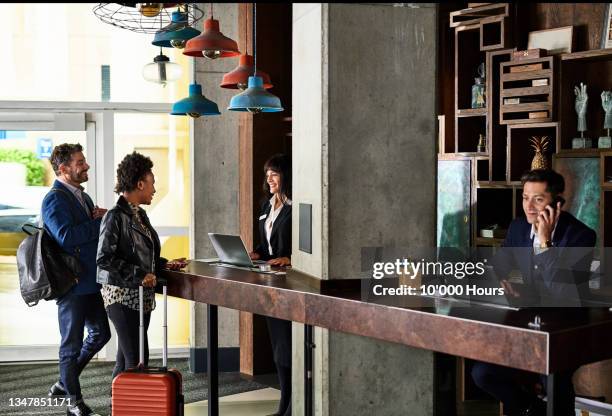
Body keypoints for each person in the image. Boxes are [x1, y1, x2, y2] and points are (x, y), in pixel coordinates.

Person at [471, 169, 596, 416]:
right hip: (524, 323)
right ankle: (532, 408)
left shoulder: (580, 236)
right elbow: (501, 265)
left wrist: (545, 243)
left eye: (538, 199)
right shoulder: (518, 227)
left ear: (557, 202)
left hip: (565, 329)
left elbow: (562, 292)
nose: (528, 206)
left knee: (555, 381)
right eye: (525, 197)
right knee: (483, 373)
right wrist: (504, 280)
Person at [96, 152, 186, 381]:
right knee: (137, 358)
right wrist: (139, 274)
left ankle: (118, 406)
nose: (154, 189)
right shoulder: (115, 216)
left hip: (139, 296)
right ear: (139, 184)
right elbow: (104, 258)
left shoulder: (140, 215)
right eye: (152, 183)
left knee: (126, 358)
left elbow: (142, 255)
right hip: (122, 296)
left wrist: (165, 264)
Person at [43, 143, 111, 416]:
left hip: (89, 281)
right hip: (71, 284)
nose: (87, 166)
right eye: (80, 162)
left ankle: (64, 381)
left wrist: (102, 218)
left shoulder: (82, 196)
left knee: (101, 334)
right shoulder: (55, 199)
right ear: (63, 169)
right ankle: (74, 402)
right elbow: (66, 237)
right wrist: (101, 223)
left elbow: (88, 233)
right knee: (70, 346)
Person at [249, 154, 292, 416]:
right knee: (278, 349)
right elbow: (265, 246)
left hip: (289, 284)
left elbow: (306, 247)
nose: (269, 179)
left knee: (287, 347)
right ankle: (283, 404)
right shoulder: (267, 205)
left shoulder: (295, 206)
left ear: (285, 175)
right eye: (267, 175)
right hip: (269, 283)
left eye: (274, 173)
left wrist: (290, 258)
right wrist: (255, 253)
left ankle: (292, 405)